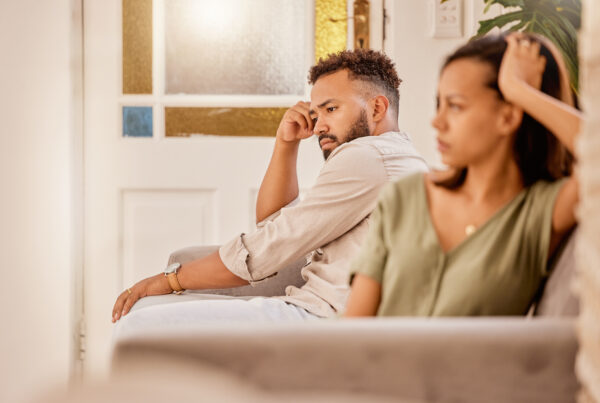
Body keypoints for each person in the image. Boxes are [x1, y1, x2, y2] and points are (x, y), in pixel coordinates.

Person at [112, 49, 428, 325]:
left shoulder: (367, 156)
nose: (318, 126)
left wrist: (169, 281)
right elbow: (274, 224)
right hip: (314, 305)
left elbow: (266, 250)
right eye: (315, 114)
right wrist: (285, 143)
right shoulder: (390, 156)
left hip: (322, 319)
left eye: (331, 109)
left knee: (137, 324)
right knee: (152, 308)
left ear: (376, 108)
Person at [344, 33, 583, 317]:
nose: (437, 121)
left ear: (508, 117)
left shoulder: (539, 214)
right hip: (363, 359)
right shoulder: (404, 196)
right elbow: (353, 328)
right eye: (439, 104)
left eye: (455, 105)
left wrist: (519, 91)